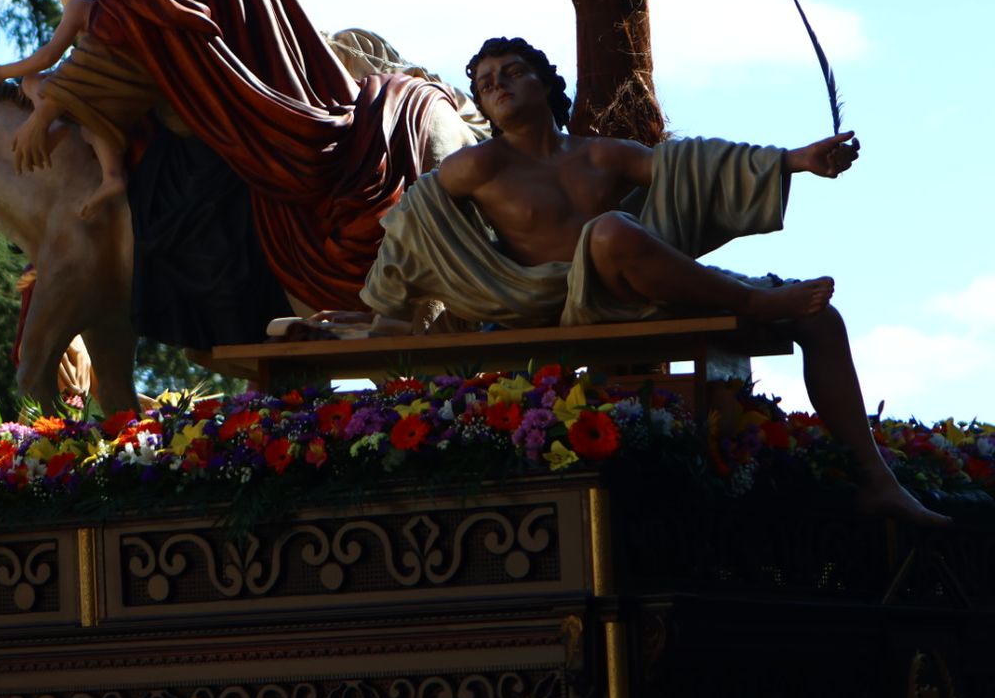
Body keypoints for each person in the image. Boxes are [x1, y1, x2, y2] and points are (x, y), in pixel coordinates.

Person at [361, 36, 948, 526]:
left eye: (513, 72)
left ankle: (875, 478)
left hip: (637, 294)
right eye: (486, 81)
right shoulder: (478, 166)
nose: (497, 84)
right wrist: (388, 311)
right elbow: (412, 223)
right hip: (558, 307)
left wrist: (799, 160)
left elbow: (692, 165)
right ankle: (757, 302)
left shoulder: (600, 156)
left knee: (820, 318)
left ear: (545, 84)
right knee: (612, 230)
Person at [14, 0, 459, 327]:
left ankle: (237, 331)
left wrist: (48, 110)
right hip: (310, 99)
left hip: (243, 122)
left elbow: (121, 43)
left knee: (167, 213)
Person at [0, 0, 130, 220]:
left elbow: (48, 55)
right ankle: (111, 175)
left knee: (32, 80)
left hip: (96, 87)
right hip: (115, 87)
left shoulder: (81, 5)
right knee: (89, 118)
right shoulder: (110, 7)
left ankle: (52, 120)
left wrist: (2, 72)